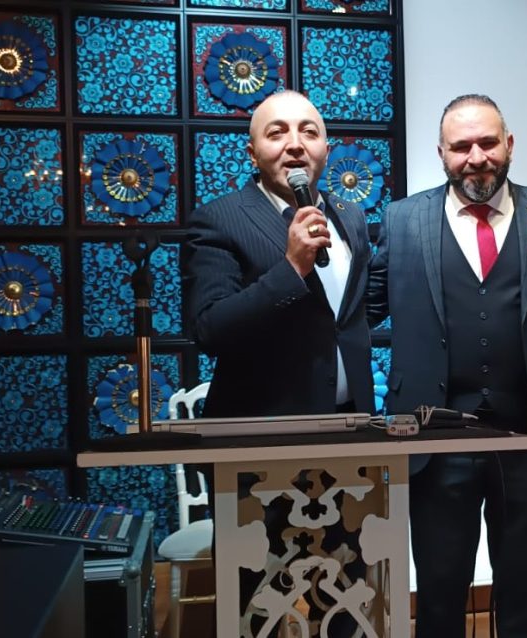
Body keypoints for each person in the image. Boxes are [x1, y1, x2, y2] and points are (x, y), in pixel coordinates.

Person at [367, 94, 527, 637]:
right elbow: (364, 309)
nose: (476, 157)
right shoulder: (402, 220)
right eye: (461, 146)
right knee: (440, 591)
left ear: (509, 145)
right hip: (434, 439)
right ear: (441, 154)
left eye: (488, 143)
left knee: (522, 594)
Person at [183, 90, 375, 637]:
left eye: (309, 132)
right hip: (257, 449)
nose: (295, 144)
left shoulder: (350, 218)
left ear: (326, 149)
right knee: (257, 608)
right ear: (252, 152)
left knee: (347, 601)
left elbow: (348, 316)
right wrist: (290, 268)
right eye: (277, 132)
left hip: (347, 444)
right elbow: (209, 328)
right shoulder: (218, 220)